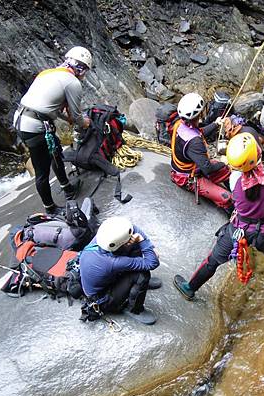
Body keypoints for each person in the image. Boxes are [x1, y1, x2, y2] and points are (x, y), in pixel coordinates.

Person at [173, 132, 264, 309]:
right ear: (257, 154)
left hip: (238, 230)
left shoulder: (234, 179)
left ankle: (190, 288)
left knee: (213, 260)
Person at [13, 46, 93, 215]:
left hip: (22, 119)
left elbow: (52, 108)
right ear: (82, 68)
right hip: (35, 126)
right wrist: (85, 123)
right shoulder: (73, 82)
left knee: (55, 149)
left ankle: (67, 187)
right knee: (41, 170)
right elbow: (77, 116)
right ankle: (50, 208)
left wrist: (71, 119)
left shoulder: (47, 73)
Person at [79, 216, 161, 325]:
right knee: (142, 275)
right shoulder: (113, 262)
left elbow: (132, 228)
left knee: (133, 246)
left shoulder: (101, 239)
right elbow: (152, 262)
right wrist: (144, 241)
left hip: (104, 278)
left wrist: (141, 242)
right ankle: (135, 309)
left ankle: (134, 286)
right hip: (102, 298)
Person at [170, 92, 233, 212]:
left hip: (188, 167)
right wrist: (225, 162)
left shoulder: (180, 124)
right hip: (188, 177)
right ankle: (235, 218)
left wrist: (215, 124)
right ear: (200, 114)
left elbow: (198, 131)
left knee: (225, 170)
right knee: (226, 198)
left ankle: (238, 194)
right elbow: (207, 169)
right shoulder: (195, 143)